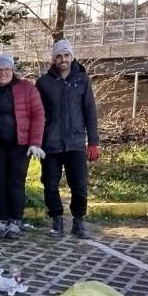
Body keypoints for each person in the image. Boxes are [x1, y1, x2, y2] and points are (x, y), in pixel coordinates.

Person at [35, 39, 100, 239]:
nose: (63, 59)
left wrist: (94, 141)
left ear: (71, 57)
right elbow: (37, 114)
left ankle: (78, 221)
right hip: (51, 144)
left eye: (66, 55)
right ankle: (56, 220)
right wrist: (36, 141)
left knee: (79, 184)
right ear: (53, 59)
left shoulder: (82, 80)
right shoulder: (43, 83)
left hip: (75, 143)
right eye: (59, 56)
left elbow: (90, 111)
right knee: (50, 183)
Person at [0, 54, 45, 238]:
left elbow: (39, 115)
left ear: (12, 70)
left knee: (15, 182)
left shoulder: (27, 88)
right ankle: (1, 220)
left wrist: (35, 142)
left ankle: (15, 221)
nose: (3, 73)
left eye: (6, 70)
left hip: (20, 145)